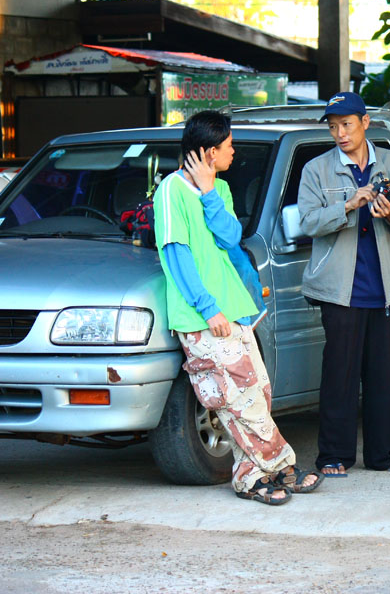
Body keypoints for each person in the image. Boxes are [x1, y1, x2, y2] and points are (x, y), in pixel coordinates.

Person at [154, 110, 322, 504]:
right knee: (237, 399)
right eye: (228, 146)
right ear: (210, 151)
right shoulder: (170, 192)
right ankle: (279, 468)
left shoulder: (220, 190)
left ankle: (253, 475)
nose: (234, 152)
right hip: (203, 316)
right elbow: (177, 256)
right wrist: (208, 308)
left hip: (235, 311)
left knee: (256, 394)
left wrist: (210, 191)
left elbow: (231, 237)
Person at [297, 92, 390, 476]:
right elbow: (308, 223)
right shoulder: (317, 170)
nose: (340, 133)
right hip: (339, 290)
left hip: (384, 288)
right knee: (339, 375)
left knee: (382, 376)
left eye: (346, 125)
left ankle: (383, 456)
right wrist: (349, 204)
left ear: (365, 123)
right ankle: (333, 456)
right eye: (333, 127)